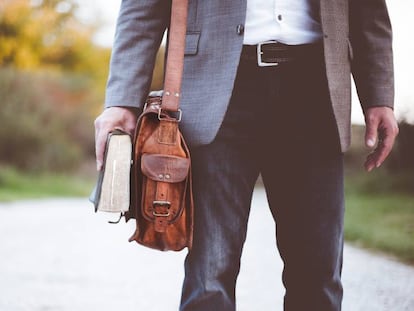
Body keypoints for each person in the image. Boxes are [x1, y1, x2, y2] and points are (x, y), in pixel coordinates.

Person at [94, 1, 399, 310]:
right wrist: (122, 101)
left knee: (317, 275)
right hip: (216, 88)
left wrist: (379, 95)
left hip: (317, 88)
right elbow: (142, 9)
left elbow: (369, 10)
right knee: (209, 277)